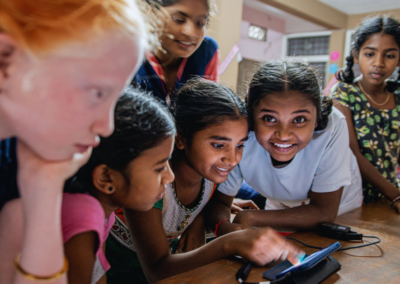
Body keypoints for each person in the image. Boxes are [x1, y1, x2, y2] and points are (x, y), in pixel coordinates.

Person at [0, 0, 148, 283]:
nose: (106, 127)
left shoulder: (21, 154)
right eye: (96, 93)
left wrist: (43, 183)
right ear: (5, 59)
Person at [106, 79, 304, 284]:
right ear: (180, 138)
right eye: (219, 145)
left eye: (240, 145)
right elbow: (157, 270)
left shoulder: (211, 177)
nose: (233, 159)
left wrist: (199, 221)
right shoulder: (152, 183)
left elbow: (209, 206)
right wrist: (229, 243)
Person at [206, 60, 363, 234]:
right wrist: (224, 228)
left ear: (318, 117)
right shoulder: (240, 134)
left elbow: (324, 212)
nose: (283, 134)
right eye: (269, 119)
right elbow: (220, 203)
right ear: (251, 114)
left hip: (339, 211)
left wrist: (249, 217)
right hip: (279, 207)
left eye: (299, 120)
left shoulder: (333, 126)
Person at [62, 90, 175, 284]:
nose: (170, 177)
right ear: (106, 178)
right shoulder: (82, 217)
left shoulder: (104, 211)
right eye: (159, 168)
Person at [331, 16, 400, 210]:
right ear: (356, 55)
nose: (378, 63)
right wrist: (395, 195)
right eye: (370, 54)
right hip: (353, 196)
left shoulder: (398, 94)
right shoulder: (344, 92)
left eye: (389, 55)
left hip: (388, 195)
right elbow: (351, 151)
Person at [134, 0, 219, 106]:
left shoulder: (207, 51)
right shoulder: (131, 52)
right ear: (152, 15)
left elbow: (207, 113)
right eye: (179, 20)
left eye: (200, 23)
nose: (190, 33)